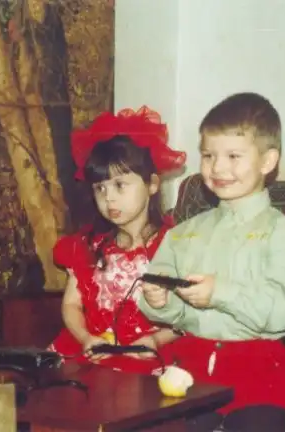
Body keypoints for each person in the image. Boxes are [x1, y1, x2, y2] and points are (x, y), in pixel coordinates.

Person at [137, 92, 285, 431]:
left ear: (267, 162)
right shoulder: (183, 234)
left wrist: (221, 293)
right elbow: (173, 314)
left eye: (233, 156)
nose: (217, 168)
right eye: (208, 155)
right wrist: (161, 301)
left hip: (258, 374)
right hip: (190, 371)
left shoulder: (281, 234)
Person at [48, 106, 187, 375]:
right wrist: (85, 337)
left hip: (147, 356)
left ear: (152, 184)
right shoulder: (88, 245)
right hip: (90, 351)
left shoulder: (176, 245)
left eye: (120, 185)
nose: (108, 197)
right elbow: (71, 304)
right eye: (100, 188)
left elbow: (188, 317)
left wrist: (157, 340)